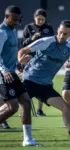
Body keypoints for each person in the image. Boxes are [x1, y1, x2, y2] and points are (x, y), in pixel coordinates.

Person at [0, 5, 39, 146]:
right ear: (6, 17)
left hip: (11, 73)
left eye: (18, 20)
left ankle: (28, 140)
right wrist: (4, 71)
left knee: (27, 102)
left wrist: (17, 63)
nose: (17, 22)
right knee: (12, 107)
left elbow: (8, 53)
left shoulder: (13, 30)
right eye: (14, 19)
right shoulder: (1, 32)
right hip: (3, 75)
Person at [21, 8, 54, 116]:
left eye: (42, 19)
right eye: (38, 19)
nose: (40, 21)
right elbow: (23, 43)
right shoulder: (29, 27)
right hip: (29, 59)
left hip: (43, 61)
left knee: (42, 83)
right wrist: (32, 38)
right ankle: (25, 109)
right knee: (27, 84)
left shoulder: (48, 28)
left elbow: (53, 42)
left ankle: (40, 110)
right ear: (34, 18)